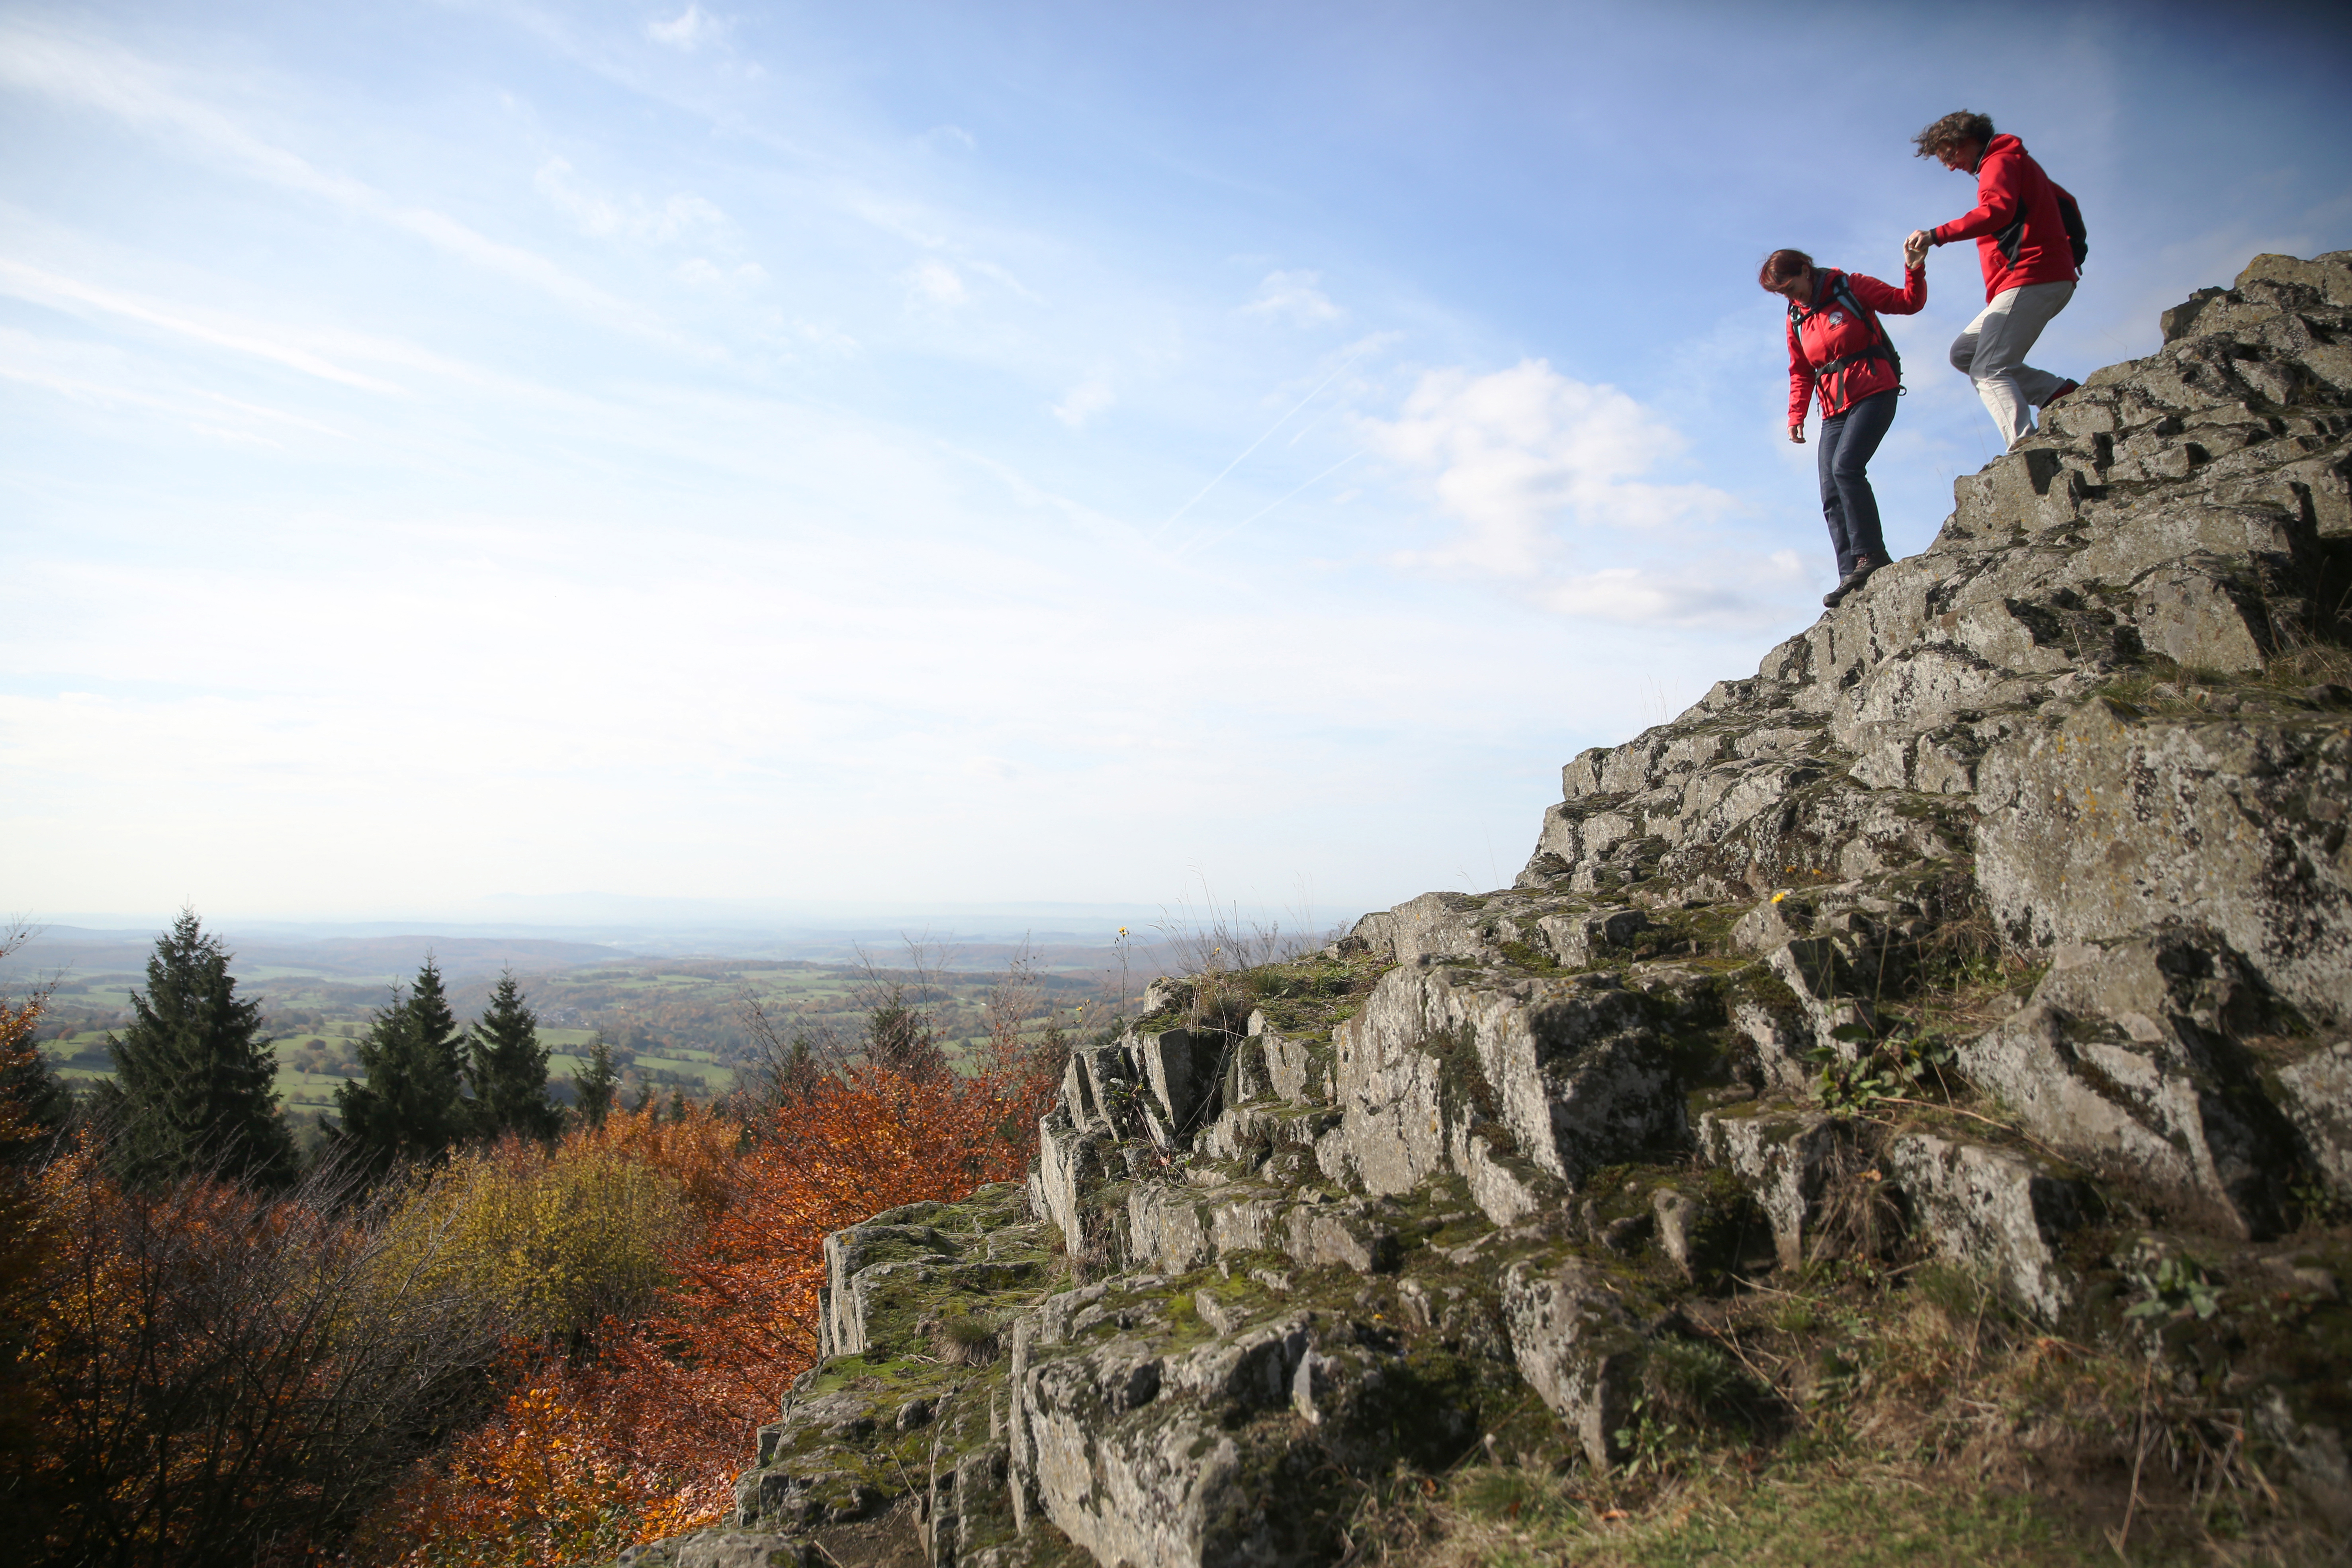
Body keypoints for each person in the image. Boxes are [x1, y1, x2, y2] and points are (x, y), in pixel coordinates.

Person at [1764, 239, 1929, 608]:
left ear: (1805, 271)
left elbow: (1908, 303)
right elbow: (1801, 370)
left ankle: (1871, 556)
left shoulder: (1851, 287)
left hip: (1875, 390)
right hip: (1834, 408)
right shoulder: (1796, 317)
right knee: (1830, 491)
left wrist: (1914, 268)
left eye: (1790, 288)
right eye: (1781, 294)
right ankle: (1850, 576)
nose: (1789, 297)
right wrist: (1796, 415)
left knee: (1847, 468)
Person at [1907, 111, 2085, 450]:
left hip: (2032, 275)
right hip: (2039, 275)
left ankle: (2024, 446)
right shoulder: (2016, 161)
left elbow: (1996, 211)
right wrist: (2073, 254)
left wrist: (1936, 235)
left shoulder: (1999, 162)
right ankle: (2054, 392)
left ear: (1966, 140)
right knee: (1964, 353)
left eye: (1947, 154)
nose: (1948, 165)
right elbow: (2068, 204)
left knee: (1988, 367)